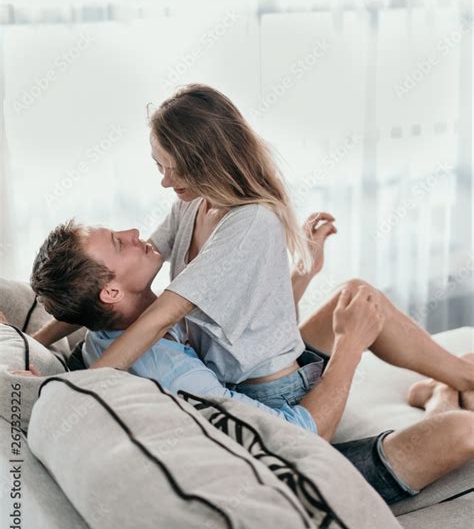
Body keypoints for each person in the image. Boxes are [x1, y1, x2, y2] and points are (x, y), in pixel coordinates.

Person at [28, 215, 474, 506]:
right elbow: (297, 437)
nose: (131, 232)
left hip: (259, 400)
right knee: (462, 432)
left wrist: (298, 279)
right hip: (291, 476)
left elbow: (247, 352)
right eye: (118, 244)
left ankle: (460, 379)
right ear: (110, 292)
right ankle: (443, 399)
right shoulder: (167, 371)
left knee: (354, 294)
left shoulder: (120, 328)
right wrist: (349, 347)